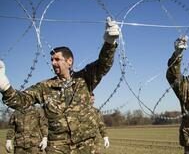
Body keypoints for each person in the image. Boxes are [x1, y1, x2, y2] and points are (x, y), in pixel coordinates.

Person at [0, 17, 120, 153]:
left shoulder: (84, 79)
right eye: (51, 59)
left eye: (57, 59)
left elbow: (103, 65)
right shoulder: (44, 87)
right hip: (58, 147)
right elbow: (22, 101)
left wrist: (109, 43)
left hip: (87, 146)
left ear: (69, 61)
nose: (53, 62)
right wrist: (5, 87)